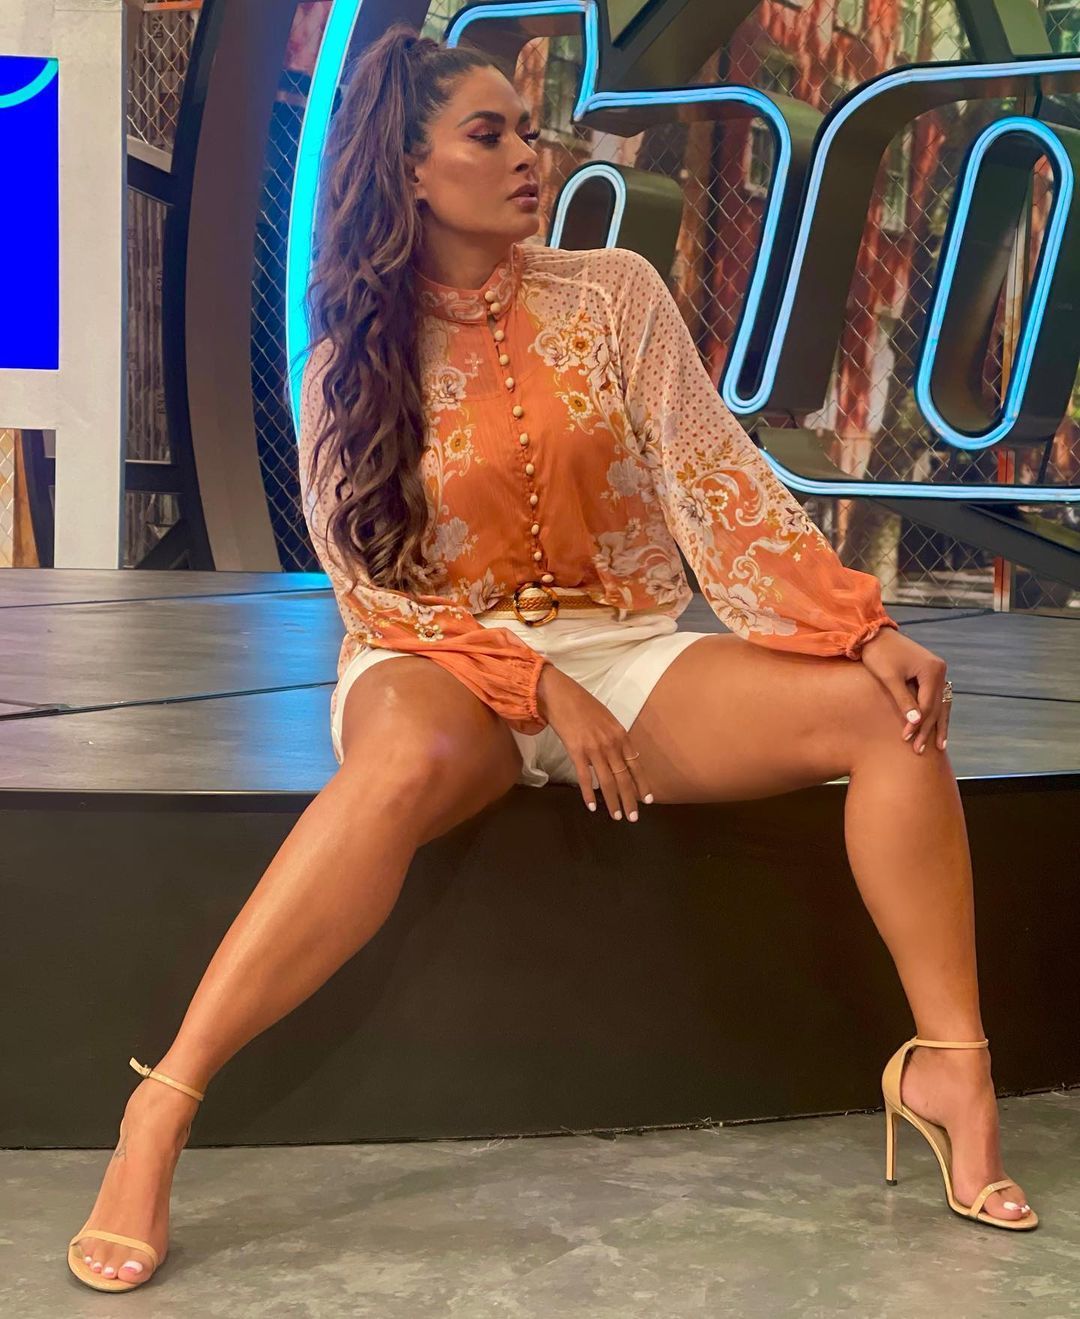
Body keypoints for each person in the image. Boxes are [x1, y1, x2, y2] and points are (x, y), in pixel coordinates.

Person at [66, 23, 1036, 1296]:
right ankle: (165, 1102)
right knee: (400, 761)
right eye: (491, 135)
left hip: (625, 643)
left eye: (529, 130)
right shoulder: (346, 355)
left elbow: (717, 480)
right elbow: (370, 591)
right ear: (409, 169)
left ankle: (953, 1067)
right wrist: (534, 684)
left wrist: (860, 623)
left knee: (885, 711)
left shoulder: (615, 292)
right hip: (436, 658)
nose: (531, 154)